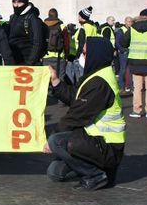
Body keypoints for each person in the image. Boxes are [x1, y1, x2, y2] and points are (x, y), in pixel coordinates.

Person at [45, 37, 125, 190]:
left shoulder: (100, 83)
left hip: (107, 145)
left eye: (85, 53)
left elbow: (77, 115)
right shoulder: (96, 75)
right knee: (55, 172)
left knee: (57, 141)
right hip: (93, 139)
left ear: (96, 55)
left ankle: (96, 175)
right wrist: (55, 81)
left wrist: (50, 140)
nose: (82, 56)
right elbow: (76, 98)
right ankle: (95, 168)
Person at [120, 8, 147, 118]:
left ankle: (137, 110)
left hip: (136, 61)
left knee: (137, 87)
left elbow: (123, 42)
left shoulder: (132, 29)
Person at [7, 0, 46, 66]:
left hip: (27, 64)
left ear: (25, 2)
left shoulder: (32, 19)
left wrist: (29, 63)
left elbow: (37, 42)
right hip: (14, 63)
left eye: (19, 2)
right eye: (14, 2)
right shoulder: (13, 17)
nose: (16, 5)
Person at [42, 9, 67, 78]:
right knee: (59, 80)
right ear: (57, 15)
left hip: (45, 56)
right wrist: (67, 56)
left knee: (47, 79)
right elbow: (66, 43)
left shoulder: (43, 25)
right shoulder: (62, 26)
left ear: (48, 15)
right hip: (59, 57)